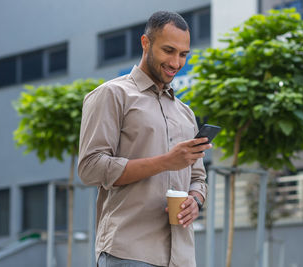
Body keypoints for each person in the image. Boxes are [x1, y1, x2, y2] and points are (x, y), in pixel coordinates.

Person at [78, 11, 210, 267]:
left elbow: (198, 178)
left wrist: (195, 201)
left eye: (183, 54)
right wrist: (165, 162)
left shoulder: (185, 113)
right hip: (129, 253)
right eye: (168, 50)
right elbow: (90, 168)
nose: (176, 62)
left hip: (182, 257)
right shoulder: (111, 95)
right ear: (146, 43)